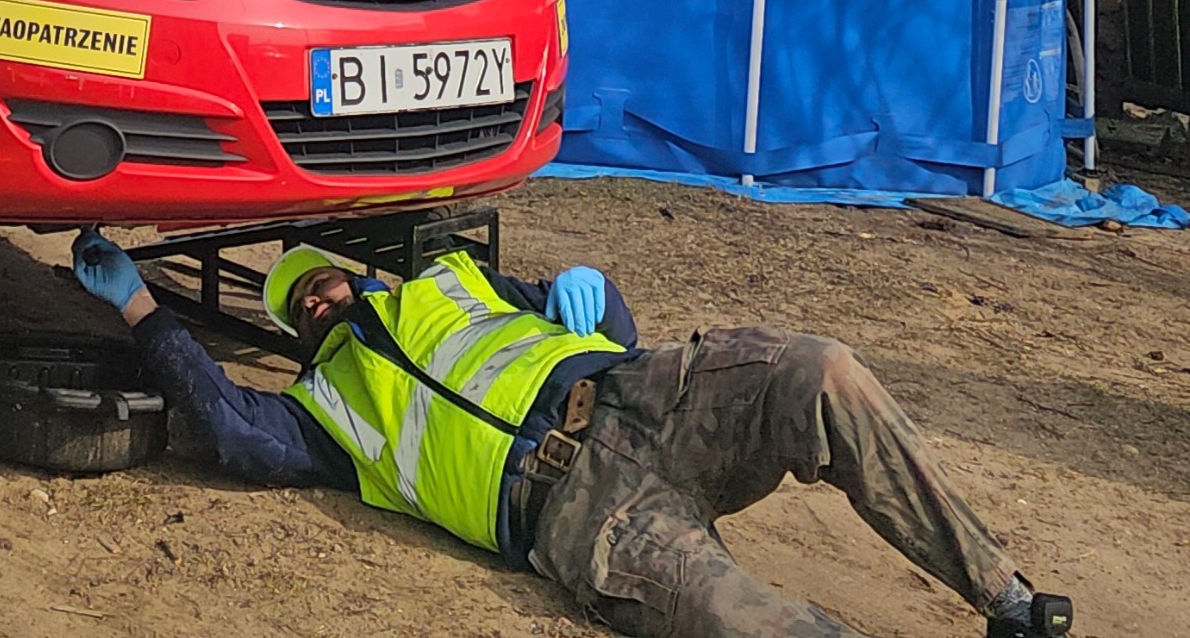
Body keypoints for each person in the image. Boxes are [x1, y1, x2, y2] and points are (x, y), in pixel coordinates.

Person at [69, 230, 1073, 638]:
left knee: (820, 370)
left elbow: (601, 319)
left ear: (350, 270)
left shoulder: (451, 281)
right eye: (301, 310)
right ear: (298, 335)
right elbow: (232, 431)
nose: (317, 303)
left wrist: (599, 294)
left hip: (641, 397)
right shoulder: (322, 410)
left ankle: (1003, 594)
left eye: (319, 283)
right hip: (577, 513)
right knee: (743, 620)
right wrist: (142, 311)